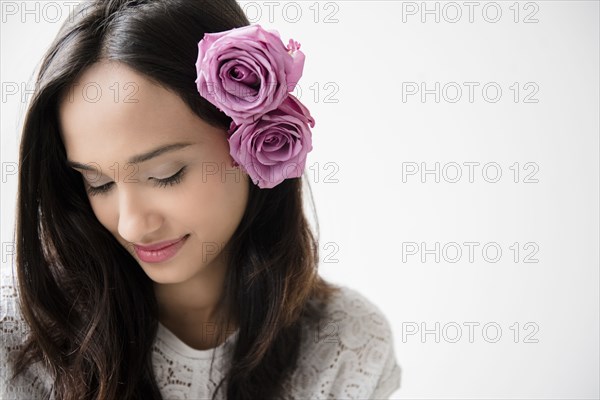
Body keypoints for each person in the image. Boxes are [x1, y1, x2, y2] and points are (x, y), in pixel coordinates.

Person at [0, 0, 402, 399]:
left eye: (165, 175)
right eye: (98, 183)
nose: (131, 224)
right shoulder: (20, 338)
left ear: (256, 142)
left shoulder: (347, 345)